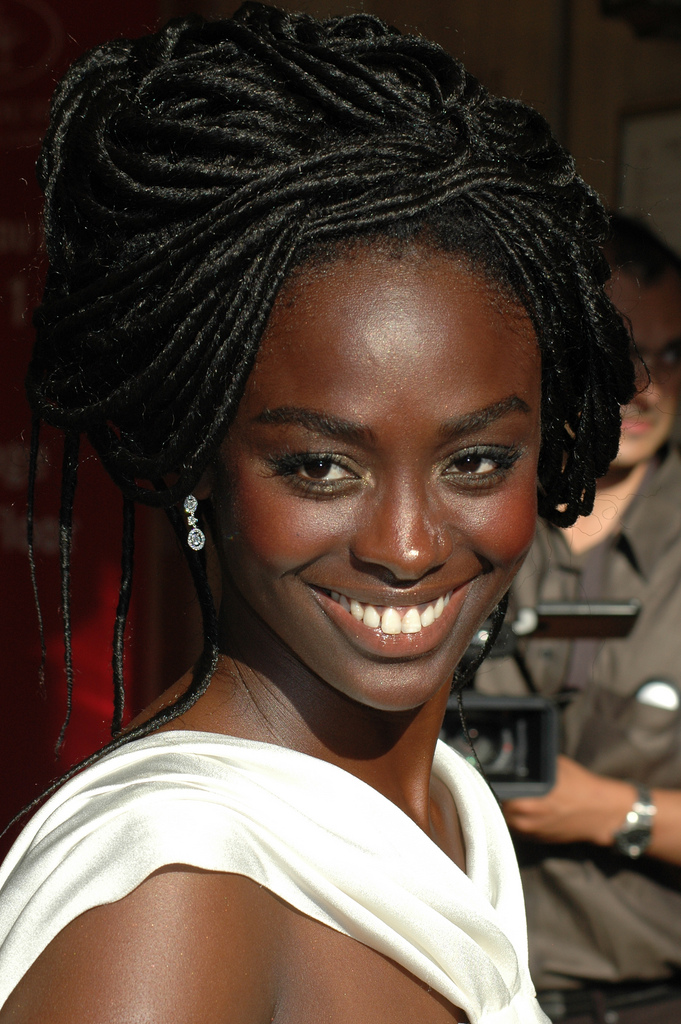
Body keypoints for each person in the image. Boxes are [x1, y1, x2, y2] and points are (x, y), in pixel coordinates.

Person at [0, 4, 632, 1022]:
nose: (407, 546)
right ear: (199, 459)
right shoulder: (173, 900)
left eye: (476, 460)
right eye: (320, 467)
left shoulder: (447, 807)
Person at [476, 213, 681, 1023]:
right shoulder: (456, 518)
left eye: (671, 355)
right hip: (458, 988)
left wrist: (610, 811)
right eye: (618, 354)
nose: (645, 386)